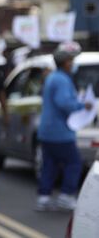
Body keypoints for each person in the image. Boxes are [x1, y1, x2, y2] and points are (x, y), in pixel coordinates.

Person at [36, 42, 93, 211]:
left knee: (49, 164)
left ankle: (43, 197)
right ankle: (66, 195)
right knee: (74, 162)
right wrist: (83, 105)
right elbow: (64, 103)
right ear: (64, 62)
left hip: (47, 131)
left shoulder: (53, 77)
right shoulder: (62, 79)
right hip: (60, 132)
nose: (73, 64)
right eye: (71, 60)